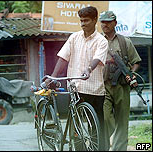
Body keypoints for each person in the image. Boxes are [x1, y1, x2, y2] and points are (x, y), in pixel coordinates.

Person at [45, 6, 108, 151]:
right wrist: (53, 76)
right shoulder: (74, 37)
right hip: (75, 88)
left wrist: (89, 69)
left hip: (94, 89)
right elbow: (63, 57)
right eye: (81, 20)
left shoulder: (101, 41)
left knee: (97, 127)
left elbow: (97, 59)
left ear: (95, 20)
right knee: (76, 127)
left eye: (86, 20)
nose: (83, 23)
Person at [99, 11, 142, 151]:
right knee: (105, 118)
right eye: (102, 22)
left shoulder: (125, 41)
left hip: (122, 86)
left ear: (115, 23)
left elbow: (136, 61)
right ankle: (104, 146)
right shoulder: (97, 41)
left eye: (108, 22)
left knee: (122, 122)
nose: (105, 24)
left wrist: (132, 74)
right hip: (103, 85)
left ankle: (119, 148)